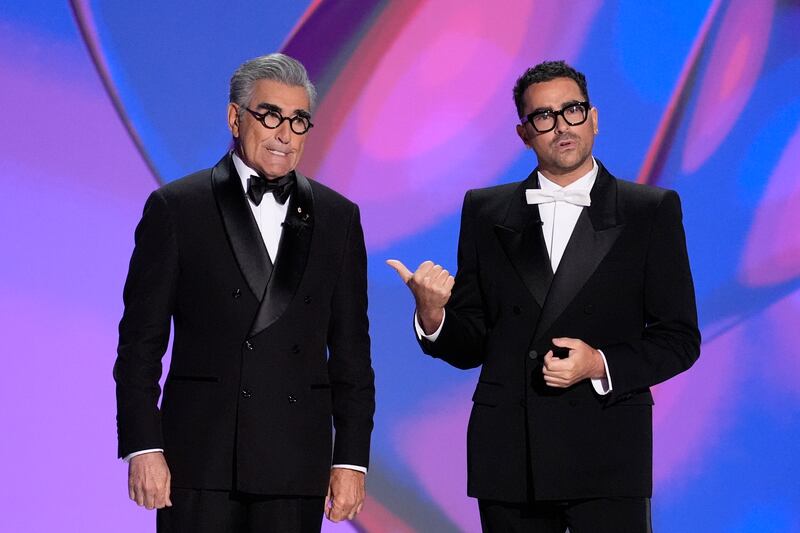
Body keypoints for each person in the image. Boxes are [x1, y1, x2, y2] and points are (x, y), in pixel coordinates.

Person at [388, 60, 700, 532]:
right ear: (524, 132)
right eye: (543, 117)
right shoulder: (484, 210)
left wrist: (599, 364)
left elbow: (679, 337)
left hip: (608, 450)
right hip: (511, 455)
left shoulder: (649, 211)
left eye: (572, 110)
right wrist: (433, 315)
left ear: (594, 118)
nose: (561, 126)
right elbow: (473, 342)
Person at [115, 53, 375, 533]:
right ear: (236, 118)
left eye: (298, 121)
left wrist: (352, 460)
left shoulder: (339, 217)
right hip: (200, 458)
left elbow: (352, 353)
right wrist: (144, 447)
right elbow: (139, 344)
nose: (284, 134)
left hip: (296, 459)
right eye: (270, 115)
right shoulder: (177, 208)